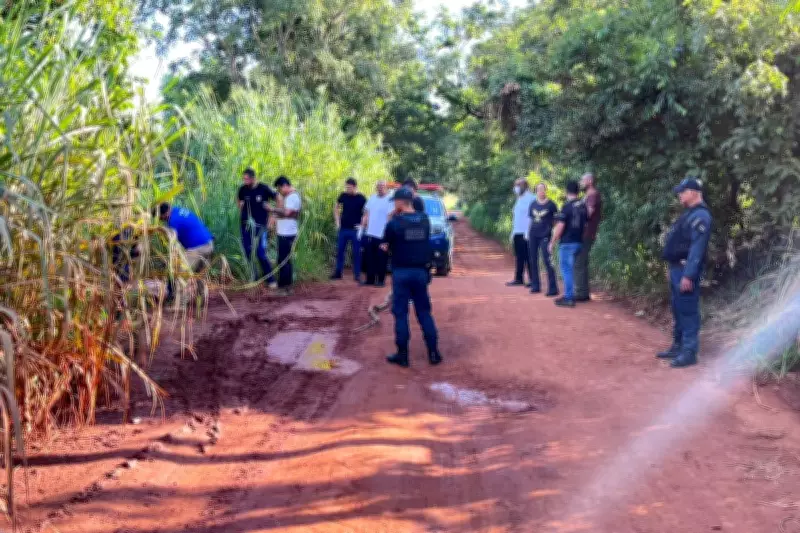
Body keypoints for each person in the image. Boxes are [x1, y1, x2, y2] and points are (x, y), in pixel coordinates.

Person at [381, 187, 442, 368]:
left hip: (401, 273)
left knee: (401, 314)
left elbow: (385, 245)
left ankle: (403, 355)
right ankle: (433, 353)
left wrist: (391, 217)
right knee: (424, 312)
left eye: (395, 201)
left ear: (400, 202)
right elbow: (418, 238)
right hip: (420, 273)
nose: (394, 204)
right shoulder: (424, 220)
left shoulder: (395, 223)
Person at [657, 177, 712, 368]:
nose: (679, 195)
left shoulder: (701, 217)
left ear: (693, 192)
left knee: (687, 309)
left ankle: (689, 352)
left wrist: (688, 275)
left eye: (683, 191)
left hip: (685, 270)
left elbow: (697, 249)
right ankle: (678, 345)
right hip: (677, 268)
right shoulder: (690, 214)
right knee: (677, 307)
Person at [157, 203, 215, 300]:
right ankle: (201, 300)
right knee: (199, 274)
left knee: (180, 273)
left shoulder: (173, 221)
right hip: (209, 244)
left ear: (165, 214)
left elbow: (172, 241)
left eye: (161, 217)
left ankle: (181, 303)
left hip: (197, 248)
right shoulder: (178, 210)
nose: (161, 220)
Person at [548, 181, 586, 308]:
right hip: (579, 242)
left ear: (566, 192)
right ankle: (572, 294)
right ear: (578, 192)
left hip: (567, 242)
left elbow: (560, 226)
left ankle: (569, 297)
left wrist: (552, 242)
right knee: (574, 269)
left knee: (566, 270)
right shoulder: (583, 206)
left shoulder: (567, 206)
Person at [238, 168, 278, 287]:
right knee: (248, 251)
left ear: (253, 178)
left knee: (261, 252)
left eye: (247, 179)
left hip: (261, 226)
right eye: (243, 179)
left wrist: (273, 217)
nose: (245, 181)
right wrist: (242, 209)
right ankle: (254, 277)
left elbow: (278, 199)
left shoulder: (263, 188)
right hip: (246, 225)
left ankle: (270, 279)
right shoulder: (242, 189)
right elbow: (239, 201)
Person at [270, 176, 302, 296]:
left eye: (279, 188)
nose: (279, 191)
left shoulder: (293, 197)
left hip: (288, 233)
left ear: (284, 186)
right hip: (284, 232)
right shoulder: (289, 197)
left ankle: (285, 288)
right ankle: (285, 287)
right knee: (283, 260)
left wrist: (272, 209)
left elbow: (287, 213)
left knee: (284, 261)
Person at [332, 178, 367, 282]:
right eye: (346, 187)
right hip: (343, 229)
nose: (347, 189)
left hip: (356, 230)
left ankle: (357, 274)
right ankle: (338, 272)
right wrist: (337, 221)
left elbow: (366, 212)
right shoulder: (343, 196)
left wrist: (362, 225)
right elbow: (336, 207)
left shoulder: (361, 198)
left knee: (356, 252)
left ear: (355, 187)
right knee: (340, 250)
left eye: (350, 187)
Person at [574, 173, 603, 302]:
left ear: (589, 181)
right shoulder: (588, 195)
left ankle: (580, 292)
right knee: (581, 262)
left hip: (586, 233)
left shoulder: (592, 195)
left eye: (583, 180)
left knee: (579, 262)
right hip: (584, 233)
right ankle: (583, 292)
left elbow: (589, 213)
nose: (581, 182)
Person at [527, 183, 559, 296]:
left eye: (542, 189)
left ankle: (553, 288)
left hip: (545, 235)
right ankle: (535, 285)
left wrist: (553, 236)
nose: (541, 191)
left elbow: (556, 221)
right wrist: (527, 234)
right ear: (536, 191)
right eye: (538, 189)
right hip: (533, 235)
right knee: (533, 260)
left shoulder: (551, 205)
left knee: (547, 260)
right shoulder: (532, 204)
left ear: (546, 191)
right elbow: (531, 220)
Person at [362, 180, 392, 287]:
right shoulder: (372, 198)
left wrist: (388, 233)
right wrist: (362, 227)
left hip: (382, 234)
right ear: (376, 187)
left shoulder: (389, 200)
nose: (380, 188)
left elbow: (390, 217)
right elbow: (366, 213)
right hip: (370, 232)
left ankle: (380, 280)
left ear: (386, 187)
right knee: (369, 257)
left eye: (382, 186)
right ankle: (369, 279)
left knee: (381, 258)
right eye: (378, 186)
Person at [508, 178, 536, 287]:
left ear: (524, 186)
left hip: (527, 232)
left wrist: (528, 232)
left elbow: (532, 216)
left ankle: (533, 280)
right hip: (517, 232)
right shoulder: (519, 199)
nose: (516, 188)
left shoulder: (532, 198)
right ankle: (518, 278)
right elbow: (517, 217)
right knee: (519, 257)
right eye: (516, 185)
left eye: (518, 185)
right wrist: (513, 232)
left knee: (529, 257)